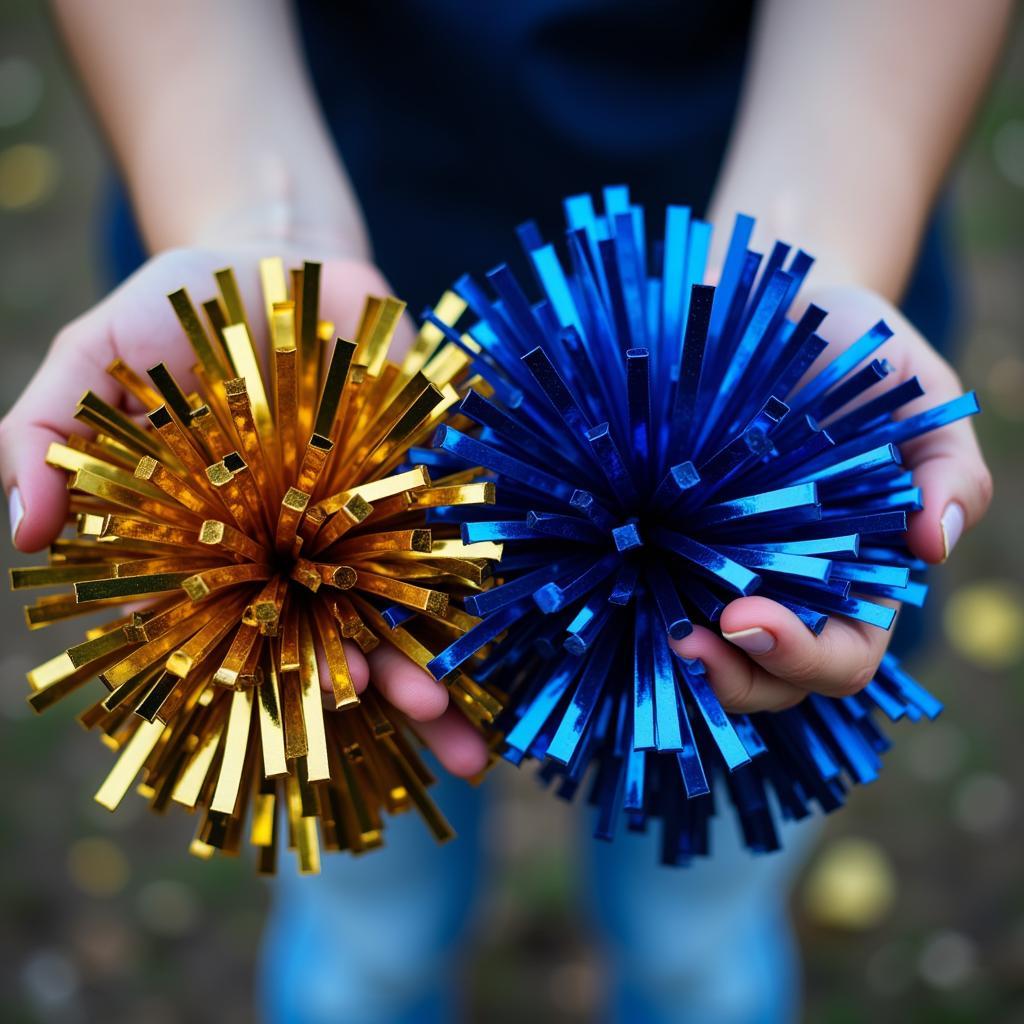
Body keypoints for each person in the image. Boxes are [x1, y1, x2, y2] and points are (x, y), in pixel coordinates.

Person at [0, 1, 1006, 1021]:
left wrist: (801, 248)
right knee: (369, 939)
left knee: (694, 937)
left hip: (759, 362)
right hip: (288, 341)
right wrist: (258, 228)